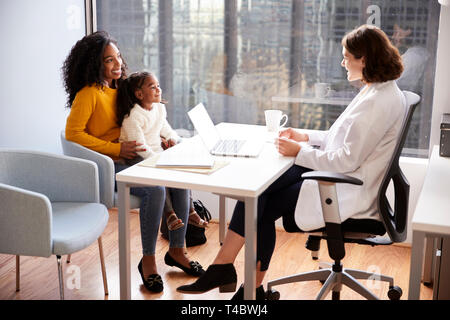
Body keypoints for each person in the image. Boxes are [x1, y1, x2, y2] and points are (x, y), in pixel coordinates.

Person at [177, 24, 406, 300]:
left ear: (364, 59)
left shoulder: (377, 101)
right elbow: (341, 138)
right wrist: (304, 136)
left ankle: (231, 274)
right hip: (342, 176)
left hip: (345, 189)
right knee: (258, 194)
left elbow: (346, 159)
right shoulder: (376, 90)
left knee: (258, 202)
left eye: (346, 56)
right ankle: (236, 277)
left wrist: (299, 151)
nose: (342, 62)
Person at [62, 31, 205, 294]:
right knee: (156, 188)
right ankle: (148, 261)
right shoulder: (89, 93)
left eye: (118, 57)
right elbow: (73, 134)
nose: (117, 64)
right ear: (95, 63)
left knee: (179, 179)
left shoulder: (123, 87)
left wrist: (162, 141)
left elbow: (144, 119)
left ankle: (177, 250)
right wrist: (114, 148)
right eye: (108, 60)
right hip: (108, 166)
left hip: (132, 159)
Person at [116, 71, 209, 231]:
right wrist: (159, 160)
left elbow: (167, 130)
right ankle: (170, 214)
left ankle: (190, 209)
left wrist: (176, 142)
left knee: (180, 170)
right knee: (158, 175)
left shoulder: (159, 109)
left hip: (154, 152)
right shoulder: (133, 117)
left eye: (158, 86)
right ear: (139, 94)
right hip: (136, 156)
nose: (158, 89)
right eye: (153, 87)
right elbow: (140, 146)